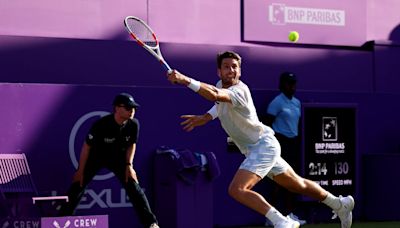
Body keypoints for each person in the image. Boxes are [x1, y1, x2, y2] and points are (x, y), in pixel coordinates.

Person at [166, 51, 354, 228]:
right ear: (219, 71)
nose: (230, 70)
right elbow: (218, 103)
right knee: (297, 184)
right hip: (257, 147)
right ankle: (338, 203)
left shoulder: (240, 90)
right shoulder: (219, 85)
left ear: (240, 71)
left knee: (237, 189)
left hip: (262, 146)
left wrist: (184, 80)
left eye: (234, 66)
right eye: (226, 66)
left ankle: (281, 221)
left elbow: (215, 95)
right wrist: (205, 118)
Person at [59, 93, 159, 228]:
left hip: (118, 159)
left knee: (133, 185)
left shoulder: (133, 125)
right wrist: (80, 170)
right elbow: (86, 147)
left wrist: (129, 165)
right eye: (128, 108)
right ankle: (61, 222)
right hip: (96, 157)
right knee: (79, 184)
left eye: (134, 108)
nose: (132, 111)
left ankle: (151, 224)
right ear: (117, 108)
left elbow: (131, 144)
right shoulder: (101, 124)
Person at [263, 72, 306, 225]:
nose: (292, 86)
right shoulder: (276, 102)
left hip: (293, 144)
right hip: (280, 143)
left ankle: (288, 214)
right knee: (277, 181)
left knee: (291, 181)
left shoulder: (297, 102)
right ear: (282, 85)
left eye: (294, 83)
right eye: (289, 83)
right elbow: (267, 123)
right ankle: (270, 217)